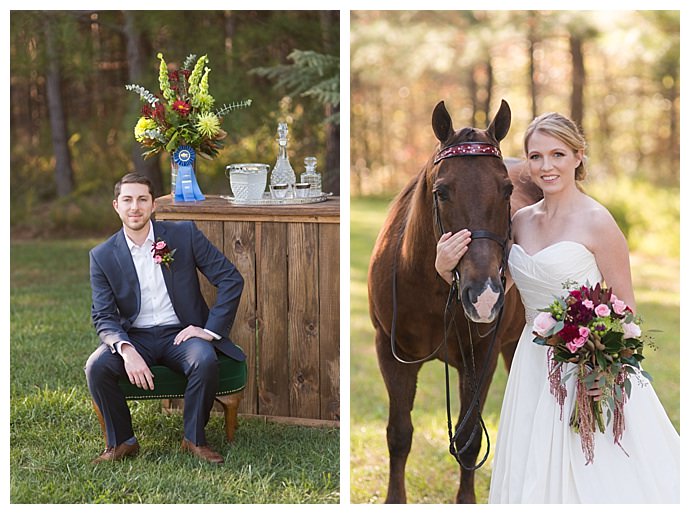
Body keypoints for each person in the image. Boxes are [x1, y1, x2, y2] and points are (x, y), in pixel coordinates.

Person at [435, 113, 679, 503]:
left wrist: (606, 371)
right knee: (532, 474)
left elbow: (625, 307)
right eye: (535, 156)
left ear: (579, 157)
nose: (546, 166)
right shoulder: (519, 222)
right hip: (532, 370)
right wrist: (444, 267)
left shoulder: (599, 222)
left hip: (588, 373)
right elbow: (495, 296)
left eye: (558, 154)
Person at [85, 173, 245, 465]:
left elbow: (230, 279)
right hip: (136, 337)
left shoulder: (183, 235)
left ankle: (194, 439)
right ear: (116, 206)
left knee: (204, 359)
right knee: (96, 366)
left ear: (153, 205)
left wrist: (208, 331)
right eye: (128, 200)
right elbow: (104, 316)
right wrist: (125, 348)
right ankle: (122, 442)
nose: (135, 207)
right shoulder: (102, 256)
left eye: (142, 199)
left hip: (181, 333)